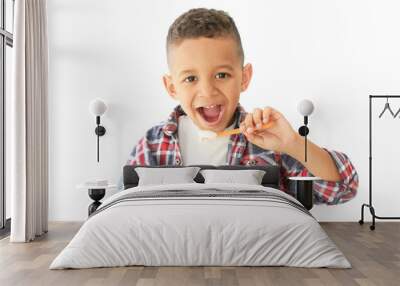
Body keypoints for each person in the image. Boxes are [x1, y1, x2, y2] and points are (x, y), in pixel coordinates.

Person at [122, 8, 358, 205]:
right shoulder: (152, 145)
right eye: (191, 79)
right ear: (171, 87)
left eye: (222, 74)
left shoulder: (269, 144)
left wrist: (293, 144)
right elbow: (124, 209)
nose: (207, 91)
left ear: (244, 78)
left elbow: (343, 188)